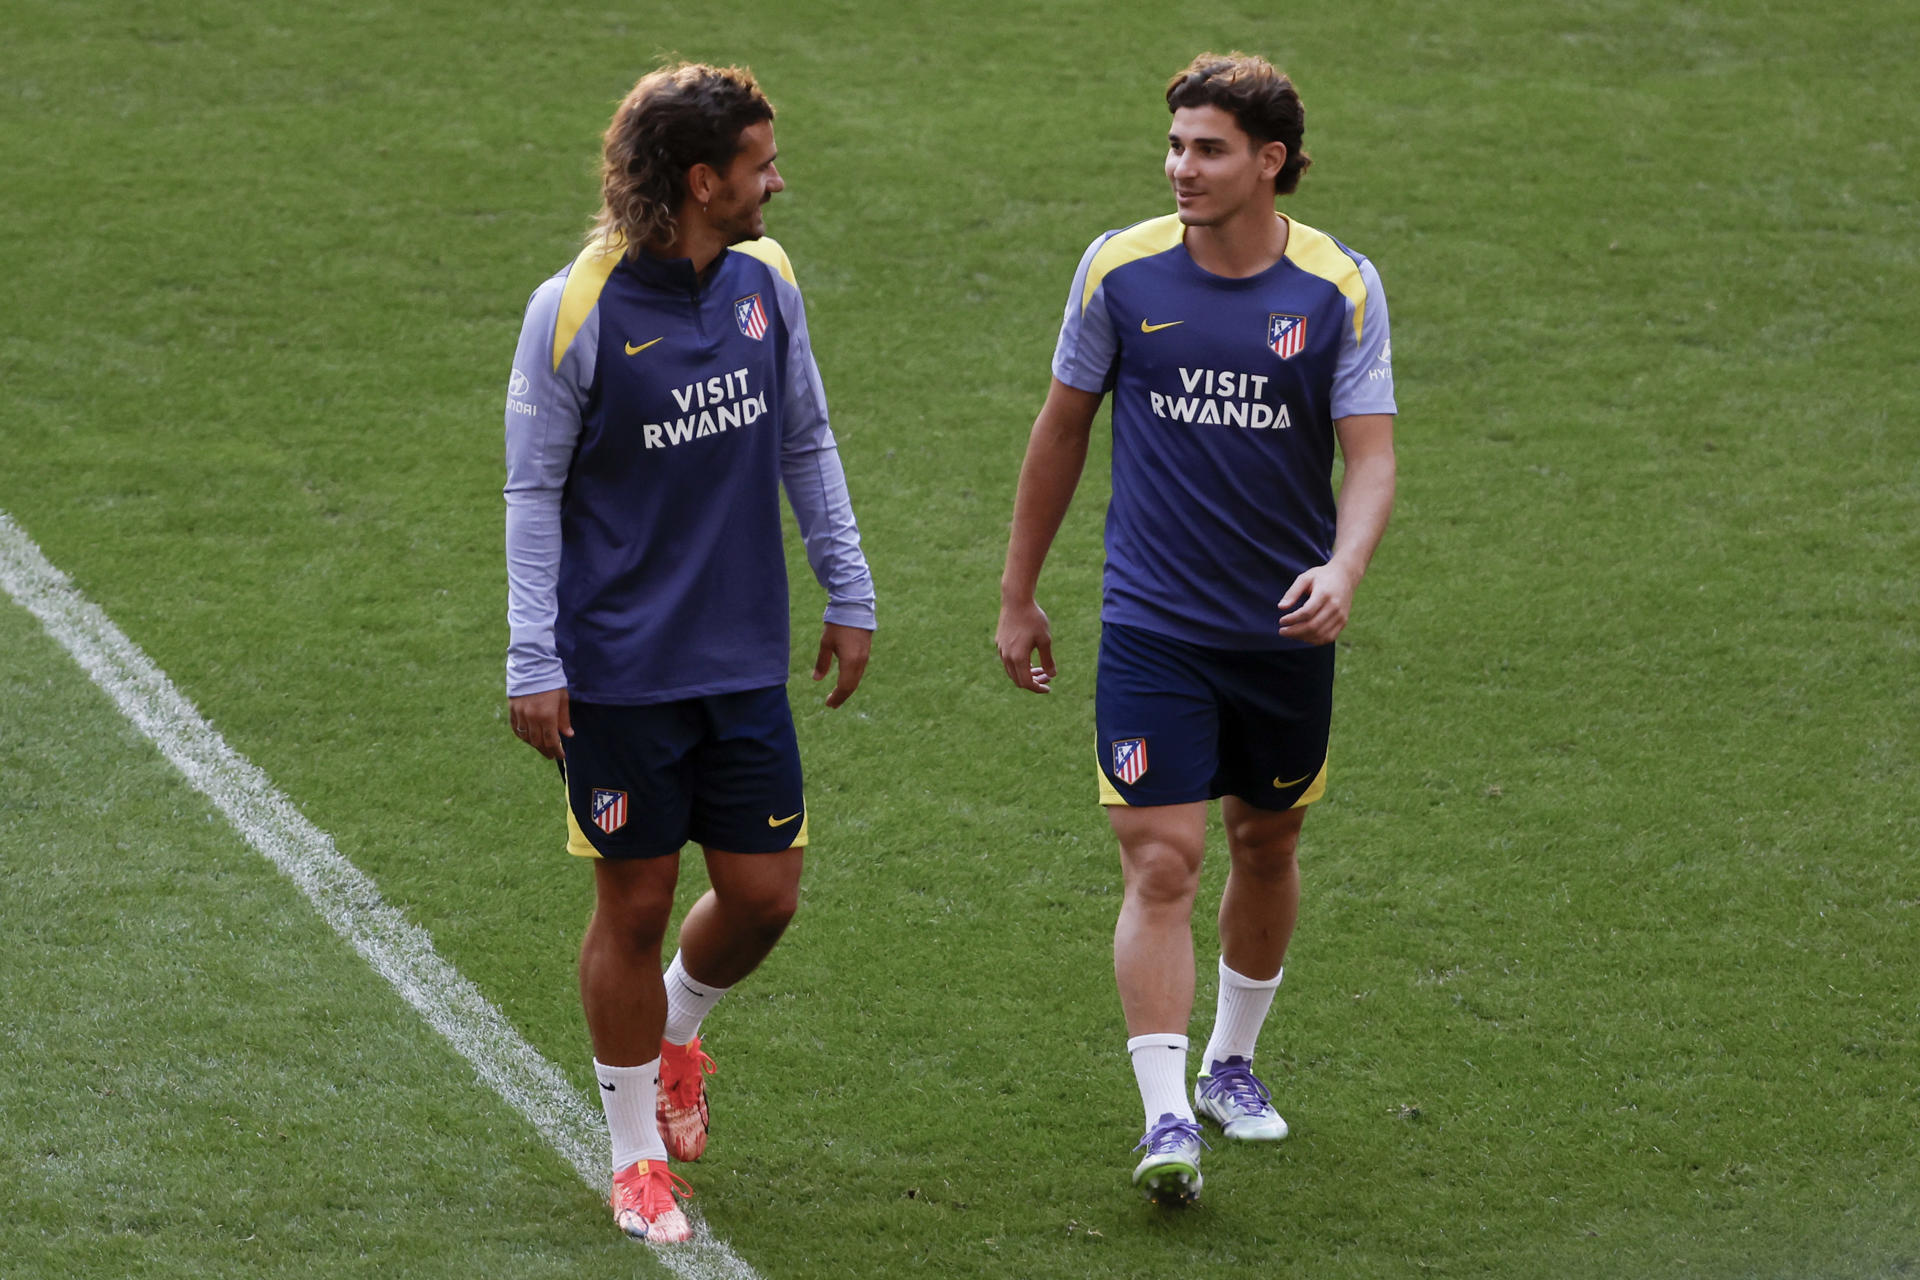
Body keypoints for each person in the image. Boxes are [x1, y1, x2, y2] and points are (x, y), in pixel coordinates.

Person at [995, 51, 1397, 1206]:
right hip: (1154, 621)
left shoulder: (1340, 287)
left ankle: (1231, 1061)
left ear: (1271, 162)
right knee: (1161, 857)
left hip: (1283, 627)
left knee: (1267, 843)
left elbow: (1369, 458)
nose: (1181, 167)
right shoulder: (1118, 272)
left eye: (1208, 148)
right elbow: (1061, 431)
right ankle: (1165, 1109)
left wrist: (1344, 567)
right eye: (1175, 145)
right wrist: (1019, 592)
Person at [502, 62, 876, 1244]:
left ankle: (675, 1035)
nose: (779, 179)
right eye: (761, 163)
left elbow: (804, 437)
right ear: (702, 180)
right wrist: (532, 654)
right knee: (638, 896)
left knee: (765, 895)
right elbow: (530, 489)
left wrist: (847, 582)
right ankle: (632, 1157)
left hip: (741, 657)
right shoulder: (574, 307)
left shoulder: (766, 280)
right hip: (616, 666)